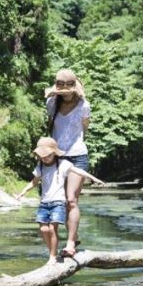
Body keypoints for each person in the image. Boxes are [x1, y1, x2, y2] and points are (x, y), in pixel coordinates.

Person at [15, 137, 104, 265]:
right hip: (44, 203)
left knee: (52, 229)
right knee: (43, 230)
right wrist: (23, 192)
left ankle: (52, 256)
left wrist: (94, 178)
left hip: (58, 203)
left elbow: (78, 170)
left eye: (47, 155)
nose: (44, 158)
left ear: (54, 153)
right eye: (42, 155)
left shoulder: (63, 163)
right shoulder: (40, 166)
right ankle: (53, 251)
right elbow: (34, 182)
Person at [45, 68, 90, 257]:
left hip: (78, 155)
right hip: (57, 157)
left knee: (71, 199)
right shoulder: (51, 103)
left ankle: (70, 243)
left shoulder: (84, 105)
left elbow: (84, 129)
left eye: (69, 88)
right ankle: (73, 235)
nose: (66, 93)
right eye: (61, 88)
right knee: (61, 201)